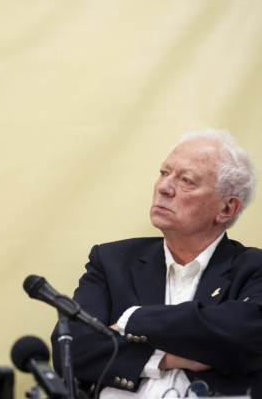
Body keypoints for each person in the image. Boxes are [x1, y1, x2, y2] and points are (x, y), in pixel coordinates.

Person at [51, 129, 262, 398]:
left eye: (186, 180)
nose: (164, 187)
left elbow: (245, 333)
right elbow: (69, 349)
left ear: (226, 209)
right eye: (164, 173)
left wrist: (132, 320)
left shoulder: (254, 268)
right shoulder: (112, 261)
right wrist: (172, 358)